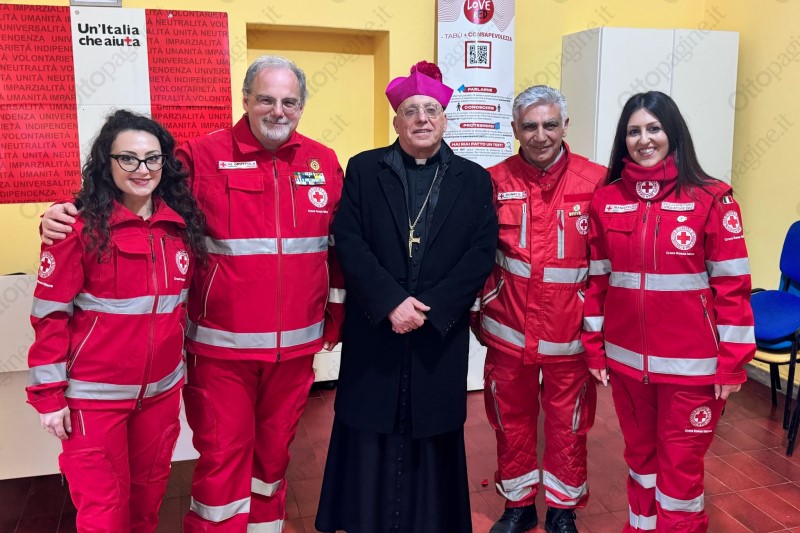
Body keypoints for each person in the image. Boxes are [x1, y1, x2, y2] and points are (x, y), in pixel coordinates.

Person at [40, 56, 346, 532]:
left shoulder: (322, 162)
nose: (277, 111)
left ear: (302, 105)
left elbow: (339, 247)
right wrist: (64, 213)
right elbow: (133, 188)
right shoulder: (199, 156)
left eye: (289, 102)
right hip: (220, 353)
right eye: (266, 99)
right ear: (245, 99)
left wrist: (335, 318)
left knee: (273, 459)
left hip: (295, 352)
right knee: (223, 458)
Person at [314, 61, 498, 533]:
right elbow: (349, 240)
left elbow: (480, 253)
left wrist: (429, 310)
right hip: (377, 325)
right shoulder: (364, 168)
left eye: (431, 110)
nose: (422, 119)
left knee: (433, 428)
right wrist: (390, 302)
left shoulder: (474, 179)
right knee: (368, 423)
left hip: (438, 333)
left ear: (445, 118)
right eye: (411, 110)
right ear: (396, 120)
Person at [582, 91, 755, 532]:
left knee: (679, 472)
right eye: (634, 131)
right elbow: (598, 282)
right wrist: (594, 348)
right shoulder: (606, 200)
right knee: (641, 463)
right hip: (627, 364)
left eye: (654, 128)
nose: (644, 139)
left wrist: (732, 364)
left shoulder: (712, 198)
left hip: (692, 369)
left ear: (672, 132)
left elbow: (733, 288)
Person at [27, 109, 205, 532]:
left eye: (152, 158)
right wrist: (49, 397)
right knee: (104, 515)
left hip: (159, 398)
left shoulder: (180, 227)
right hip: (94, 402)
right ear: (106, 162)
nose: (142, 169)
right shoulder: (77, 227)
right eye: (128, 158)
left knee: (145, 508)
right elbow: (49, 315)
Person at [472, 85, 606, 533]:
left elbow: (607, 264)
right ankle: (519, 505)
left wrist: (600, 328)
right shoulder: (493, 181)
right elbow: (475, 256)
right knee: (509, 420)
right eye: (529, 126)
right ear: (514, 129)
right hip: (509, 331)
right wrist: (478, 314)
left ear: (565, 126)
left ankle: (563, 510)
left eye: (550, 124)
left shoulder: (597, 182)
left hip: (571, 336)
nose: (540, 135)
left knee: (570, 425)